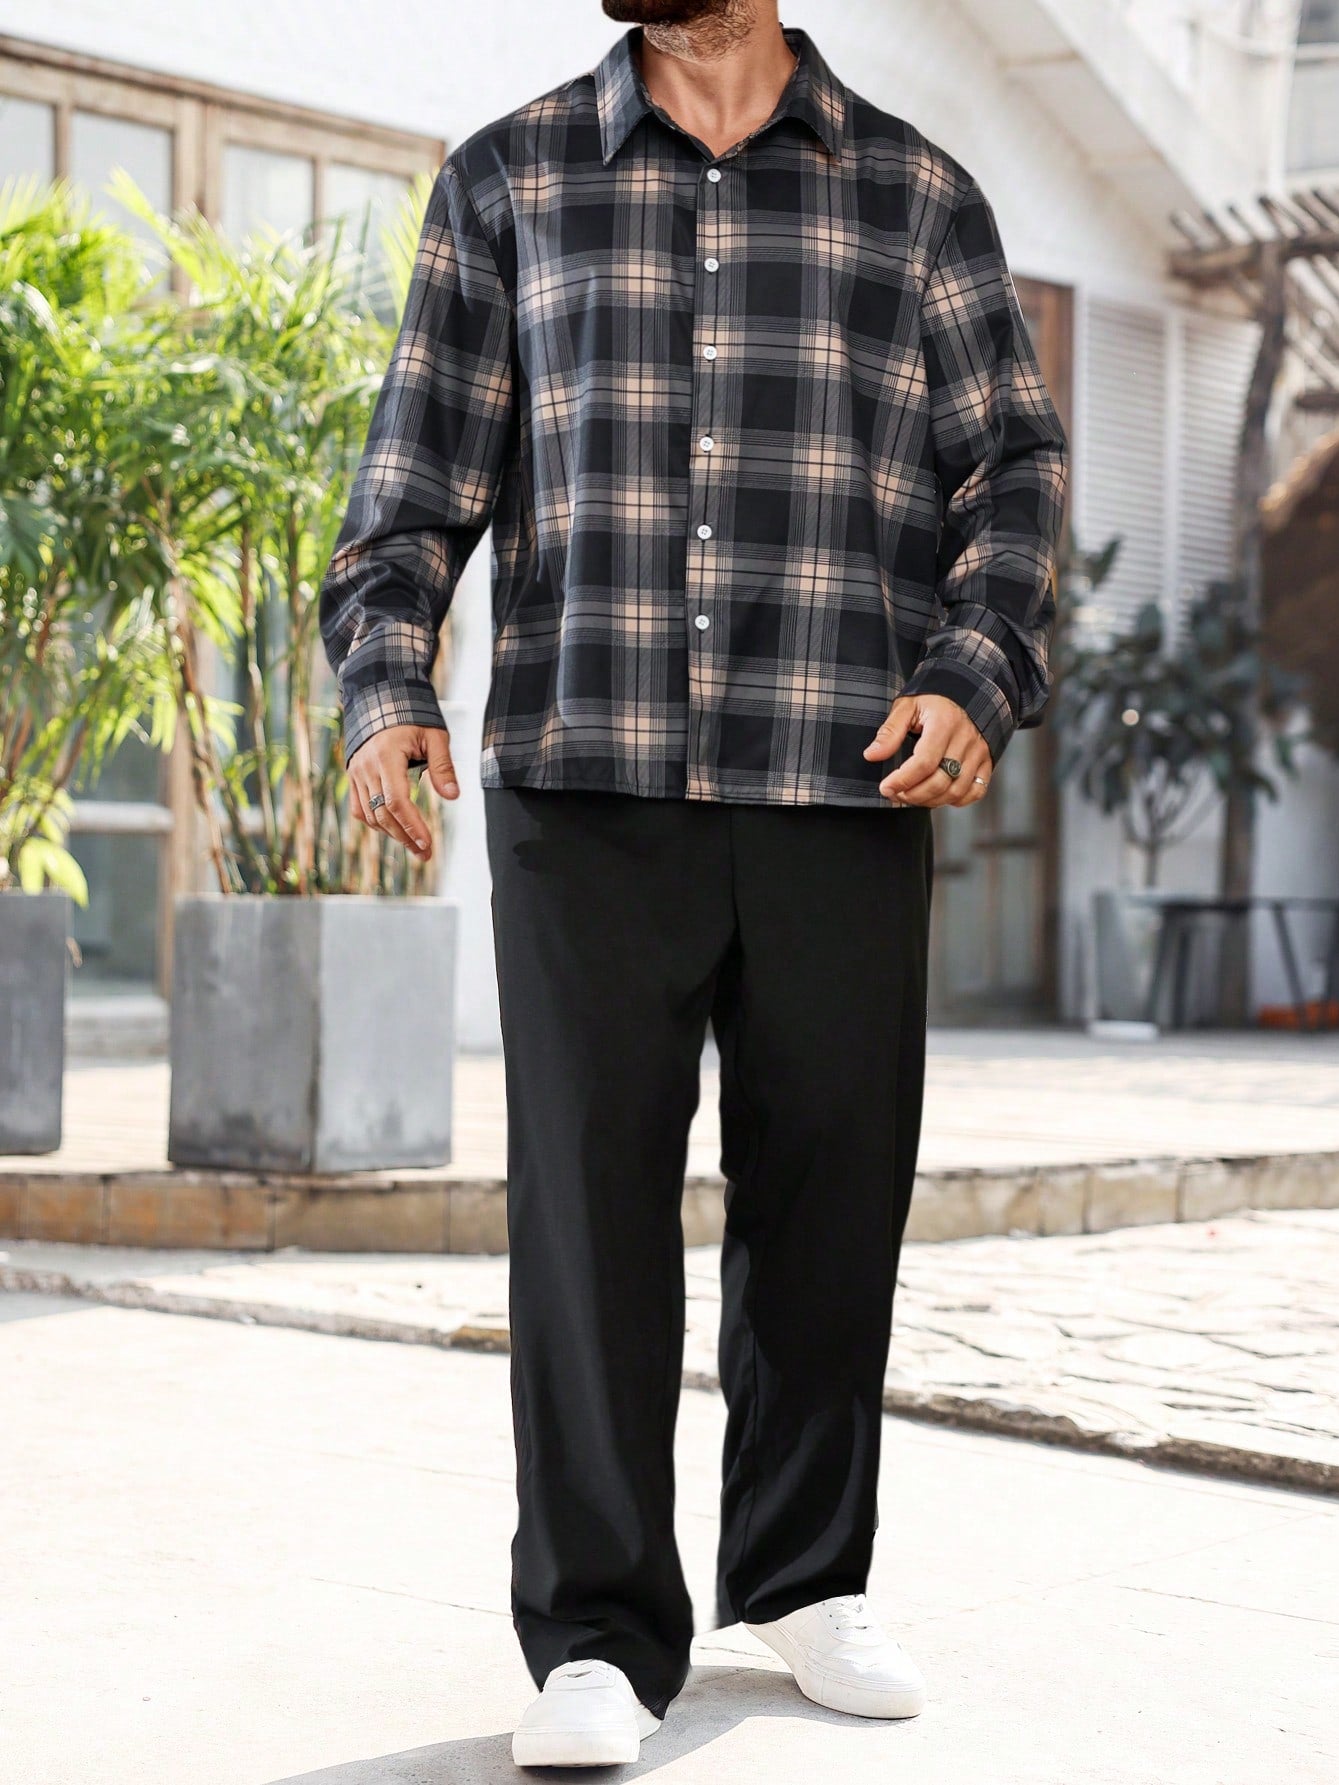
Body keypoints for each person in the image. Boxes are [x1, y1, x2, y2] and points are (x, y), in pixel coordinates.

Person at [318, 0, 1067, 1768]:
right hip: (587, 777)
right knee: (585, 1215)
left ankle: (803, 1578)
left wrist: (976, 672)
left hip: (842, 768)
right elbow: (412, 491)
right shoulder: (509, 180)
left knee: (830, 1196)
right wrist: (390, 685)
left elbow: (1015, 473)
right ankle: (595, 1631)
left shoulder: (916, 196)